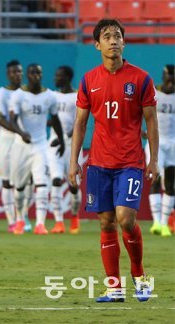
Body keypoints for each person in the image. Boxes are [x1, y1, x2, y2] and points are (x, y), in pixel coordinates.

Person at [69, 18, 158, 303]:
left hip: (130, 161)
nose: (113, 40)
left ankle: (140, 275)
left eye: (117, 36)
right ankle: (114, 287)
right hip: (98, 163)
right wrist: (74, 161)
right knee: (107, 222)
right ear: (97, 45)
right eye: (106, 36)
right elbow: (80, 124)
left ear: (124, 42)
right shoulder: (88, 80)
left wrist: (153, 159)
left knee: (125, 218)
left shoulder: (141, 78)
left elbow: (151, 122)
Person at [8, 63, 65, 235]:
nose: (36, 75)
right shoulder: (19, 95)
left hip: (41, 145)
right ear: (27, 75)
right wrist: (21, 132)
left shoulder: (49, 96)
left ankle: (40, 224)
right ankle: (20, 219)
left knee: (42, 183)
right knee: (19, 187)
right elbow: (12, 119)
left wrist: (61, 140)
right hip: (21, 146)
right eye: (33, 73)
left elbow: (55, 120)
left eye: (39, 73)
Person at [48, 66, 82, 234]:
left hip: (72, 145)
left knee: (73, 186)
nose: (56, 78)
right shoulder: (52, 96)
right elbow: (51, 119)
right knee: (55, 180)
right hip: (54, 143)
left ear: (68, 77)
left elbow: (80, 121)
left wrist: (67, 135)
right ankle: (59, 221)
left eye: (59, 75)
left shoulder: (77, 96)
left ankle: (74, 216)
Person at [145, 64, 174, 237]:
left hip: (173, 143)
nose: (170, 81)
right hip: (156, 141)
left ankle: (164, 224)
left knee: (171, 183)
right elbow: (142, 112)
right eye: (168, 77)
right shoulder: (154, 92)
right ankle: (156, 222)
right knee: (155, 178)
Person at [0, 60, 22, 232]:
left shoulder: (26, 93)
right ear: (8, 74)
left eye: (19, 71)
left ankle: (21, 218)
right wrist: (20, 131)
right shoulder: (1, 93)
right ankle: (11, 220)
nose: (17, 74)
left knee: (21, 182)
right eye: (13, 72)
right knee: (6, 182)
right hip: (6, 140)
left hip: (21, 143)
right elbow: (0, 119)